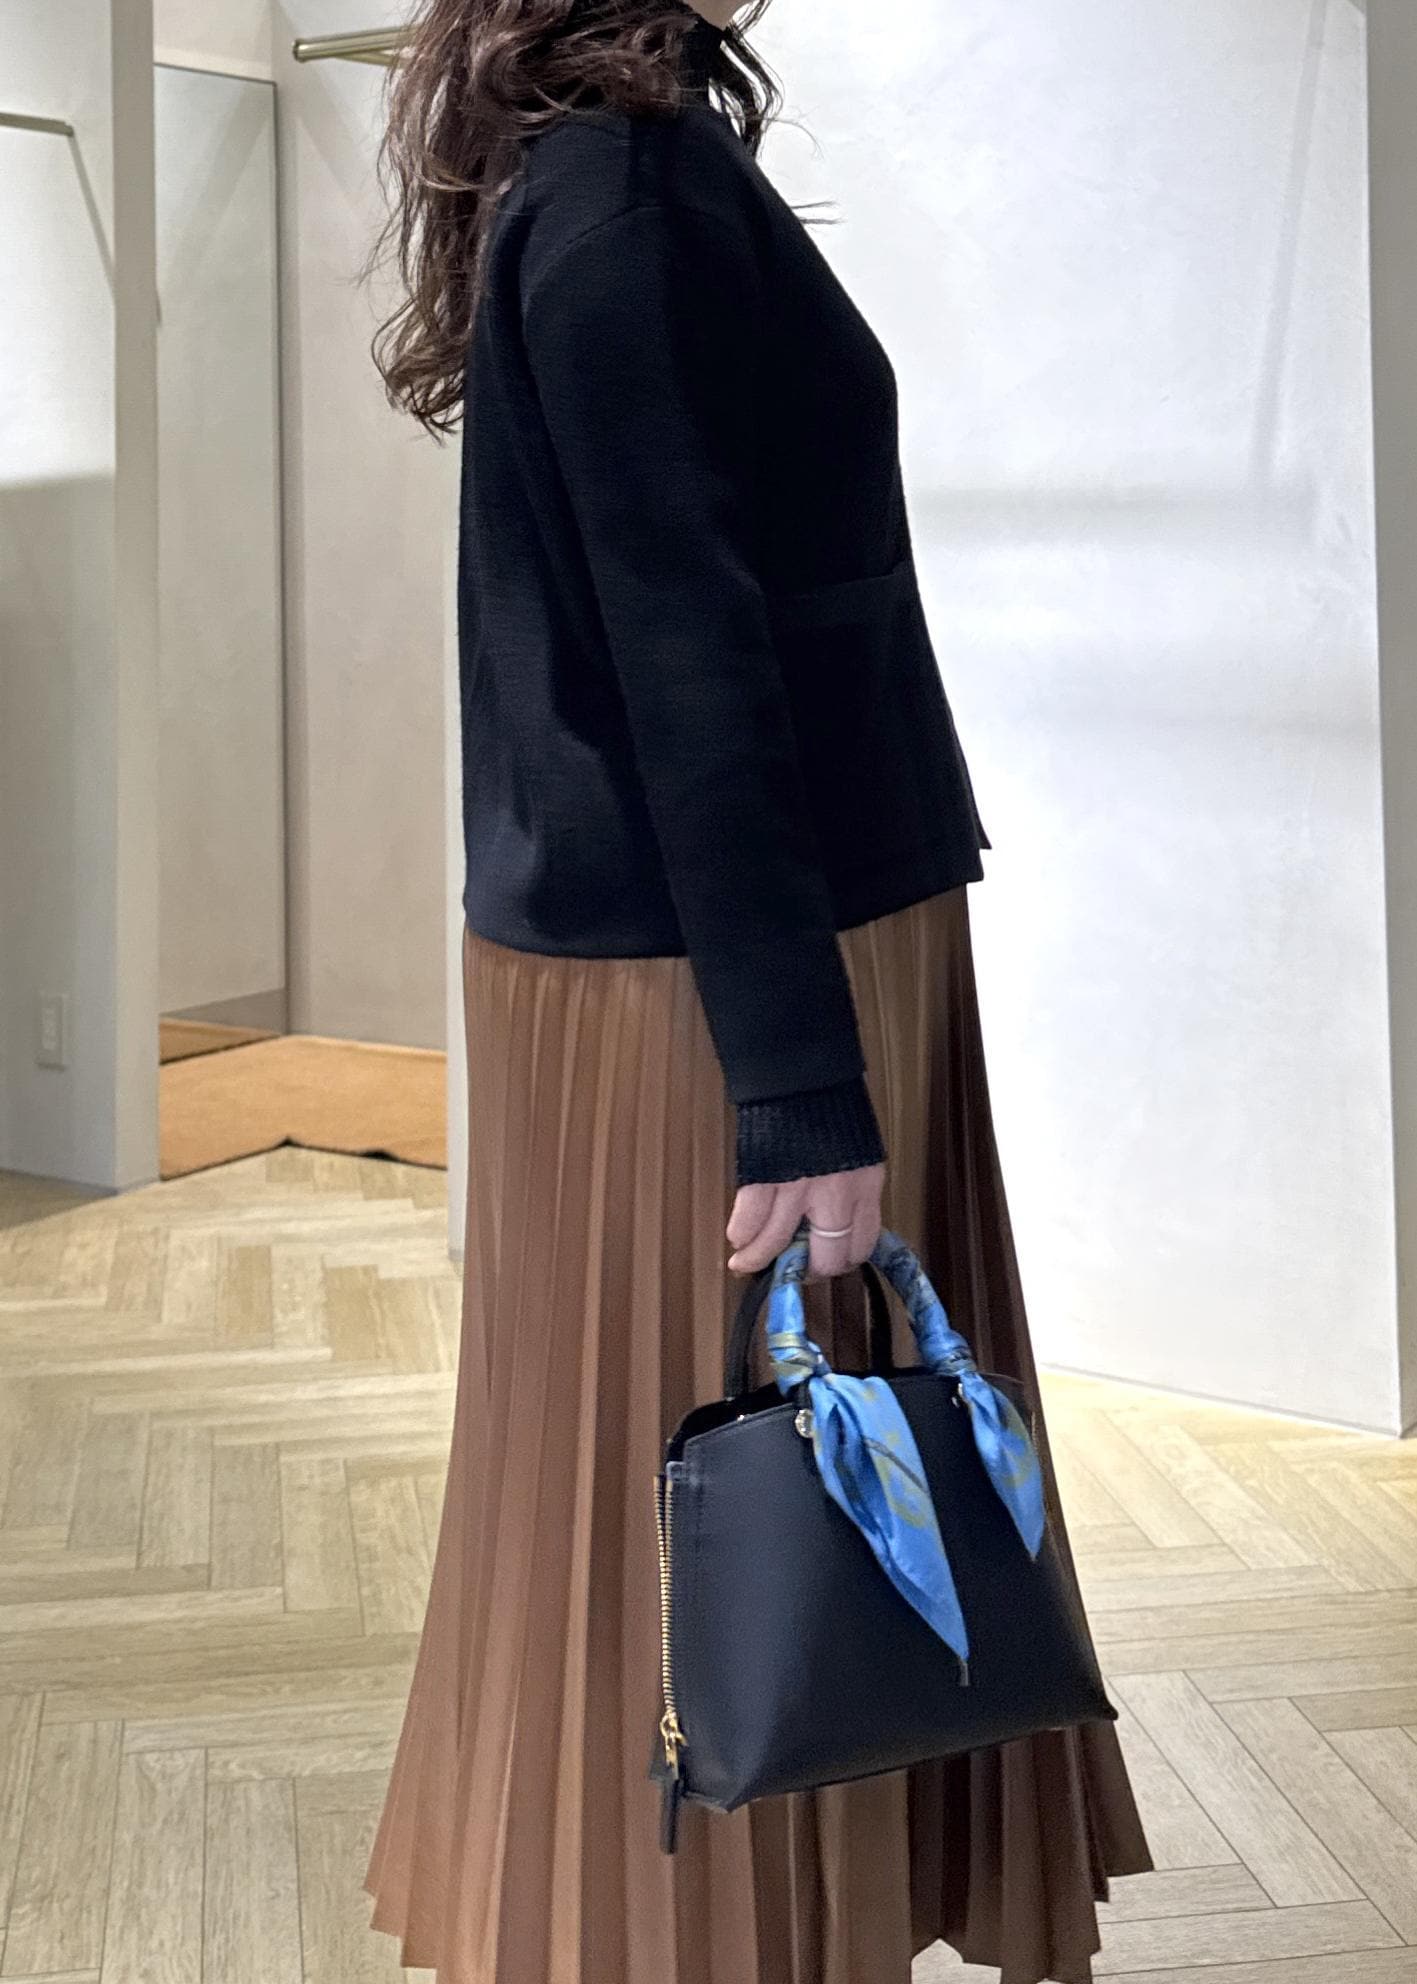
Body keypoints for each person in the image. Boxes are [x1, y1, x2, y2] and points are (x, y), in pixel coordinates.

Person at [363, 2, 1152, 1978]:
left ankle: (740, 1919)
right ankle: (724, 1930)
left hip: (705, 950)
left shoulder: (608, 165)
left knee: (739, 1489)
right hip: (728, 977)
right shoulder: (624, 188)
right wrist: (797, 1083)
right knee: (750, 1504)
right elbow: (684, 652)